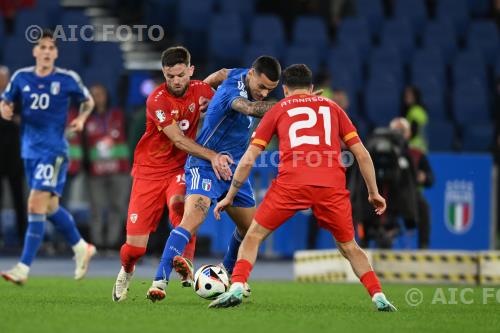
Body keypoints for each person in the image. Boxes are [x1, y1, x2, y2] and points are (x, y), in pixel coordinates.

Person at [210, 64, 397, 311]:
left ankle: (236, 286)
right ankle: (378, 295)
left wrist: (230, 195)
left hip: (292, 183)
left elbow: (248, 158)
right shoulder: (333, 107)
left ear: (285, 89)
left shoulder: (277, 110)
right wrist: (374, 192)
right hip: (331, 185)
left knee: (253, 235)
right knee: (349, 247)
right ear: (311, 88)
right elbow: (361, 154)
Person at [146, 56, 282, 302]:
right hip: (206, 164)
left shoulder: (238, 73)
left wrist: (202, 93)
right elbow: (250, 109)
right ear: (251, 74)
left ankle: (227, 275)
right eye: (261, 87)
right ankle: (159, 281)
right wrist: (289, 104)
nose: (263, 93)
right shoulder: (233, 90)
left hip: (232, 169)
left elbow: (220, 72)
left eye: (270, 90)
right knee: (193, 218)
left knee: (251, 228)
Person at [112, 46, 233, 302]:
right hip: (148, 171)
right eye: (170, 76)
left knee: (180, 204)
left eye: (180, 75)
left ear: (190, 70)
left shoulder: (202, 90)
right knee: (134, 248)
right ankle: (127, 269)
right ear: (164, 74)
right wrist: (212, 155)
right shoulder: (156, 100)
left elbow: (227, 104)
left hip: (180, 168)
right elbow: (177, 139)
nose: (175, 81)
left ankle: (184, 262)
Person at [0, 29, 96, 285]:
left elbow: (88, 101)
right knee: (49, 206)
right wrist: (5, 109)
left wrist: (82, 118)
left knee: (34, 204)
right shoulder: (20, 77)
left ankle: (23, 267)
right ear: (35, 52)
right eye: (42, 47)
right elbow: (5, 99)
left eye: (51, 48)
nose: (46, 52)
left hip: (53, 151)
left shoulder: (66, 79)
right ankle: (80, 247)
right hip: (29, 150)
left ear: (56, 53)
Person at [84, 84, 130, 251]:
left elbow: (131, 139)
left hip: (120, 170)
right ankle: (97, 244)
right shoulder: (86, 118)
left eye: (100, 94)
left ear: (107, 95)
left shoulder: (120, 115)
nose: (97, 98)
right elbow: (82, 143)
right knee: (96, 207)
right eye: (93, 94)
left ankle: (112, 243)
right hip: (95, 172)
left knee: (117, 206)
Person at [390, 117, 434, 248]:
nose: (399, 134)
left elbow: (431, 178)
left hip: (411, 195)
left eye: (402, 131)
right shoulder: (381, 151)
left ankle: (423, 247)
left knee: (424, 207)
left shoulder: (417, 154)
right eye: (395, 131)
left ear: (408, 133)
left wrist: (424, 177)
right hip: (387, 193)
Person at [0, 65, 27, 246]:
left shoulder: (17, 98)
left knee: (19, 197)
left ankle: (23, 236)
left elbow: (25, 120)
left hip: (15, 157)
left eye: (4, 78)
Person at [401, 85, 428, 152]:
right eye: (406, 95)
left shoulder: (416, 111)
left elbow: (413, 131)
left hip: (416, 148)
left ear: (415, 96)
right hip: (419, 148)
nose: (406, 98)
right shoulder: (415, 110)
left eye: (410, 96)